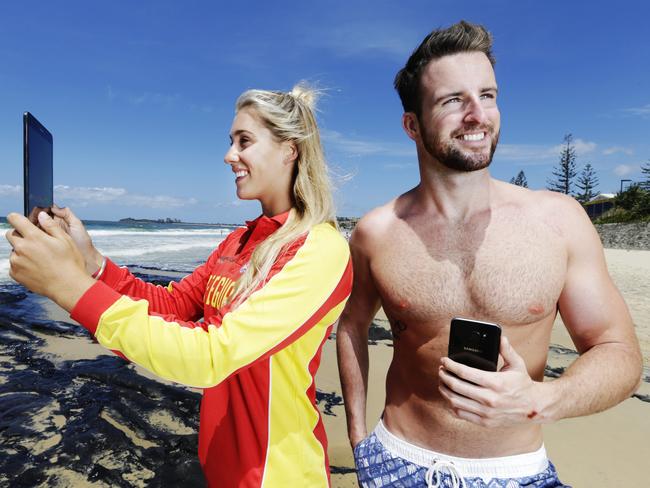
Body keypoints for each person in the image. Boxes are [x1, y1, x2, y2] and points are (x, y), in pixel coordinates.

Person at [336, 21, 642, 488]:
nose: (478, 114)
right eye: (453, 100)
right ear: (412, 125)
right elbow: (353, 324)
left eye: (488, 95)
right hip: (395, 459)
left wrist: (543, 399)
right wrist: (359, 438)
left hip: (516, 471)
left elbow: (618, 352)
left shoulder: (559, 222)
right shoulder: (376, 232)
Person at [7, 83, 353, 487]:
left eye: (244, 141)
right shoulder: (240, 241)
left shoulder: (320, 249)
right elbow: (170, 304)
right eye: (230, 141)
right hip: (222, 467)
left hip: (277, 474)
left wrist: (69, 288)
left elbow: (211, 356)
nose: (229, 156)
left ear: (289, 150)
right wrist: (91, 262)